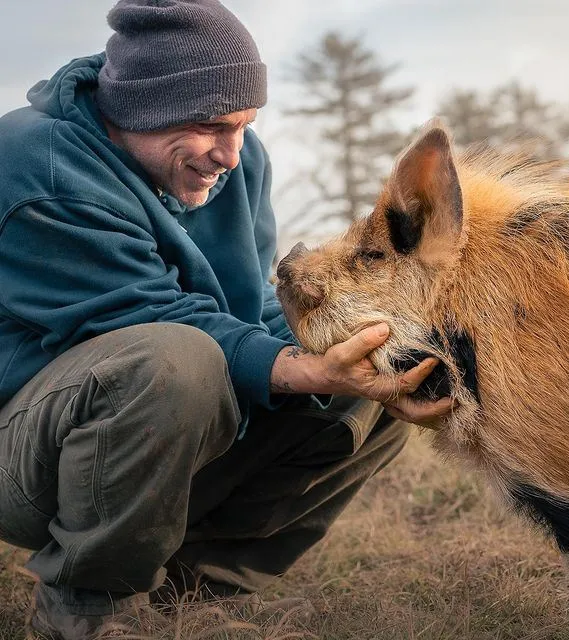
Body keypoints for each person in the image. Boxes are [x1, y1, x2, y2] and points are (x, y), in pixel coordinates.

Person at [0, 1, 452, 637]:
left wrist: (342, 350)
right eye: (212, 125)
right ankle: (87, 608)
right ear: (138, 109)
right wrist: (301, 369)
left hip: (154, 433)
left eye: (245, 125)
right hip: (28, 454)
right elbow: (140, 317)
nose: (231, 155)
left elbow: (246, 303)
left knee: (367, 381)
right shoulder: (34, 165)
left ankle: (197, 596)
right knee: (174, 364)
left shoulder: (237, 163)